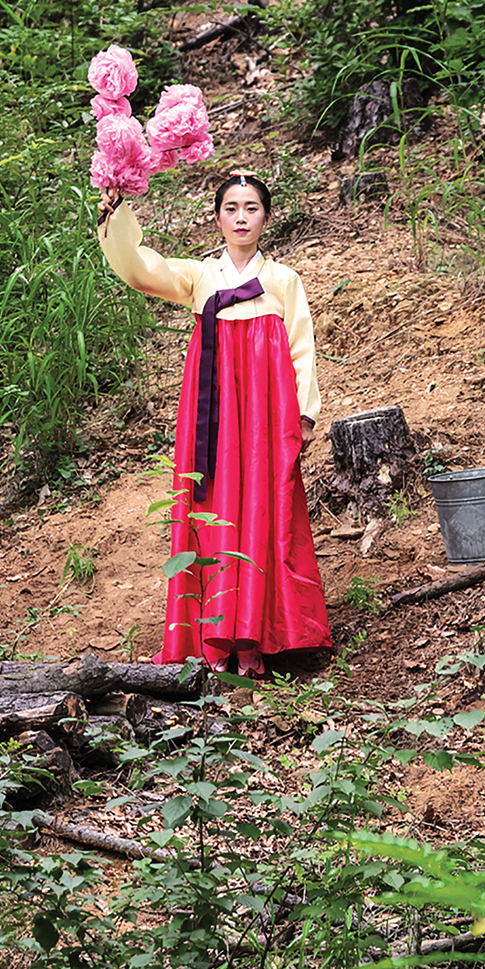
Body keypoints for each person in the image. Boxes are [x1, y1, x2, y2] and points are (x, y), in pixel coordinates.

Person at [98, 172, 331, 677]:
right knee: (213, 507)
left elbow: (302, 349)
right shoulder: (201, 277)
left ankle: (259, 636)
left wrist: (304, 415)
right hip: (213, 417)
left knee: (265, 507)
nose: (241, 217)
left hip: (268, 416)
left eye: (251, 207)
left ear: (266, 217)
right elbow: (142, 268)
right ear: (217, 216)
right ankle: (214, 637)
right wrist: (117, 212)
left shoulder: (283, 281)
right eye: (231, 207)